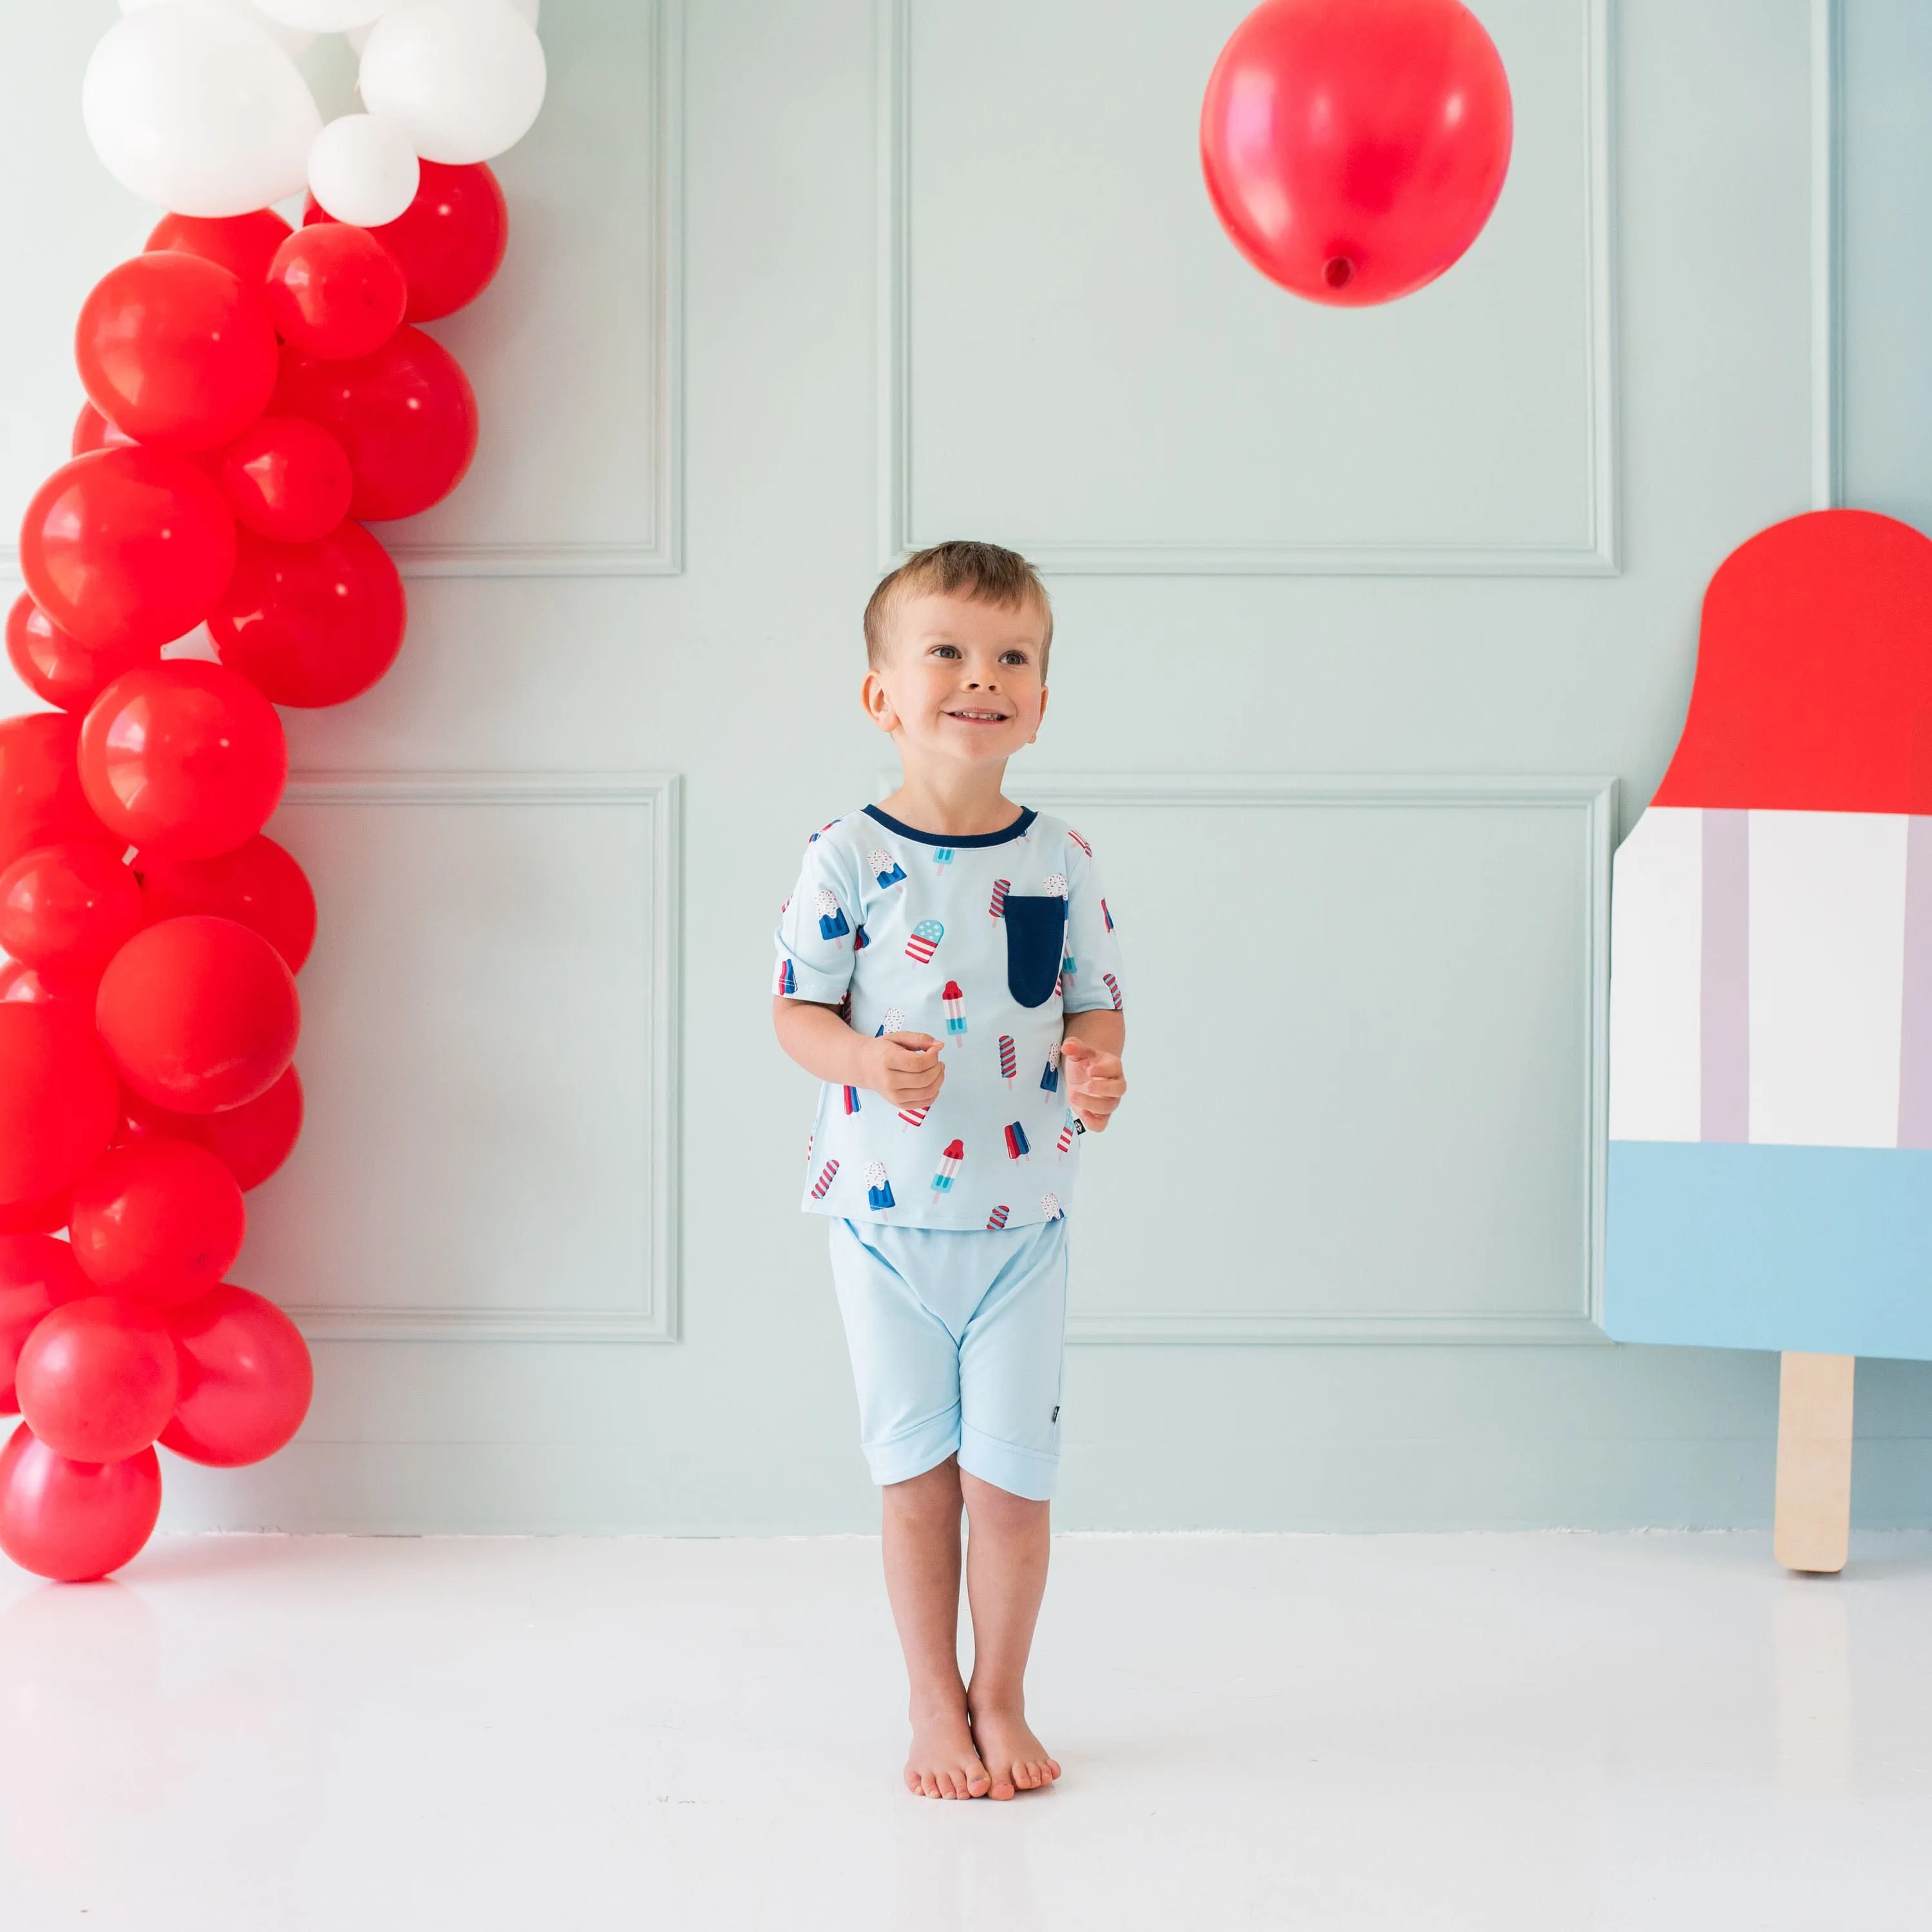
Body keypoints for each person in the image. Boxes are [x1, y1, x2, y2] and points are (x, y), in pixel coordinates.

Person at [772, 541, 1127, 1801]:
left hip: (1023, 1224)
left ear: (1040, 699)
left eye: (1012, 658)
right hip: (883, 1227)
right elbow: (795, 1015)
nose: (983, 678)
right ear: (882, 696)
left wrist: (1095, 1068)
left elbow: (1095, 1007)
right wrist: (866, 1056)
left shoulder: (1060, 860)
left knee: (1013, 1488)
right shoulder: (847, 858)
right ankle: (932, 1700)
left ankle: (1002, 1695)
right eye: (949, 653)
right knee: (918, 1482)